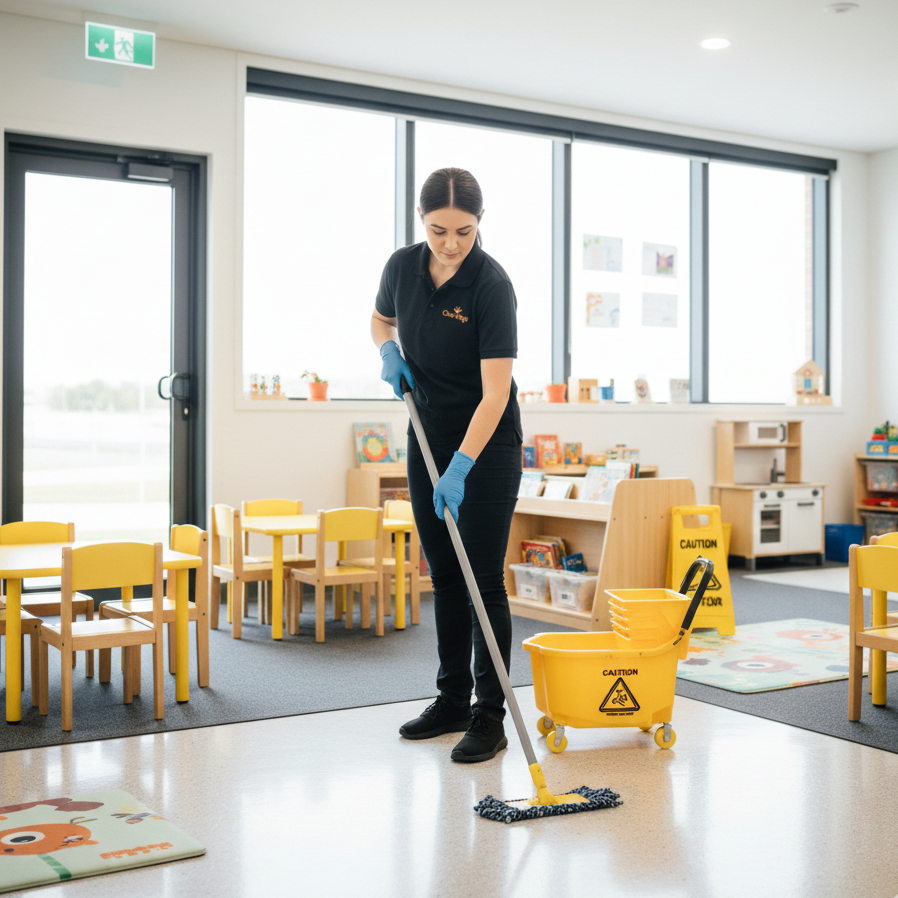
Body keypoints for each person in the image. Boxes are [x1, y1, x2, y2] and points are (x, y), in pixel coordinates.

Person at [371, 167, 523, 763]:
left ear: (479, 223)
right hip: (426, 435)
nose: (451, 243)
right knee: (444, 577)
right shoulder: (401, 266)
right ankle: (452, 700)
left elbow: (495, 395)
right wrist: (387, 348)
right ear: (421, 221)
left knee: (482, 581)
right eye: (438, 230)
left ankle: (490, 716)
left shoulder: (491, 285)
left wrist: (460, 467)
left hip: (483, 448)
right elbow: (381, 317)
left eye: (463, 230)